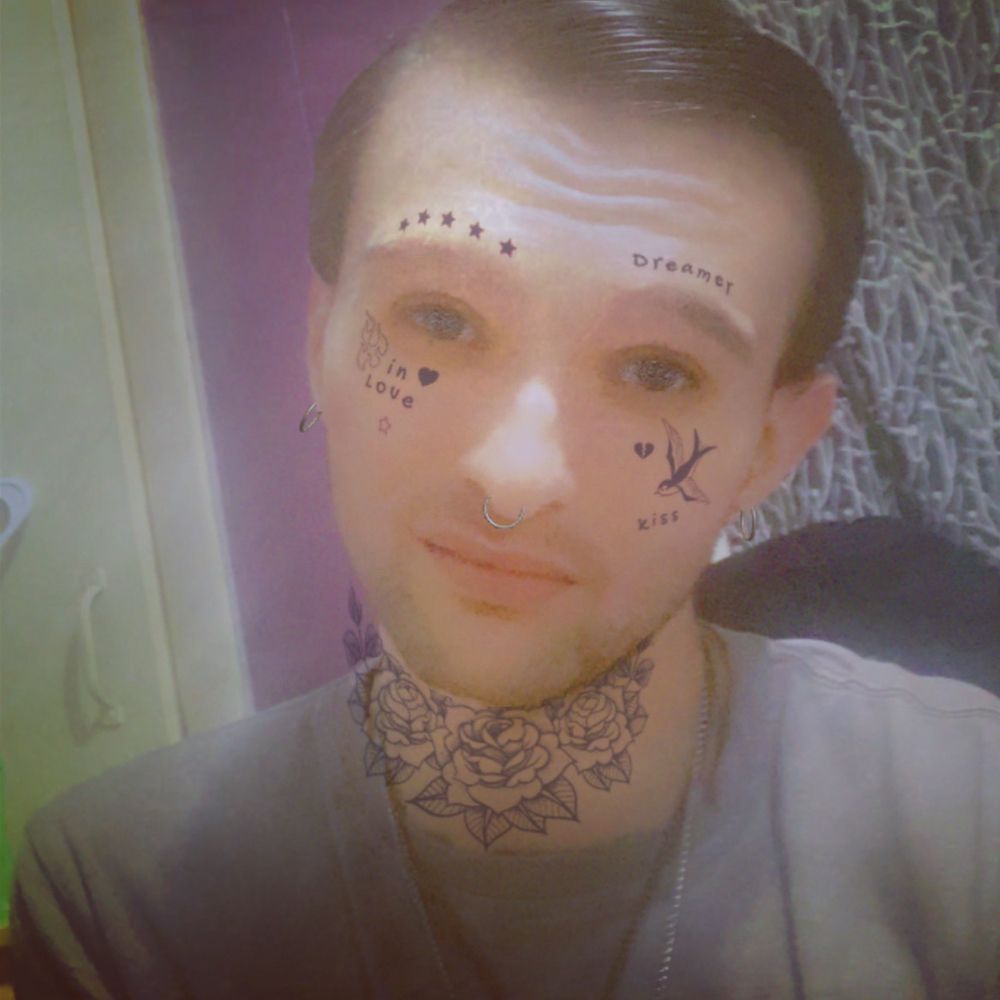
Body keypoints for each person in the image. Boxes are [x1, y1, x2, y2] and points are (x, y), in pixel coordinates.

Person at [12, 1, 1000, 997]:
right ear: (321, 343)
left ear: (768, 449)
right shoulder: (120, 891)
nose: (515, 478)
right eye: (439, 318)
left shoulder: (968, 817)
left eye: (657, 370)